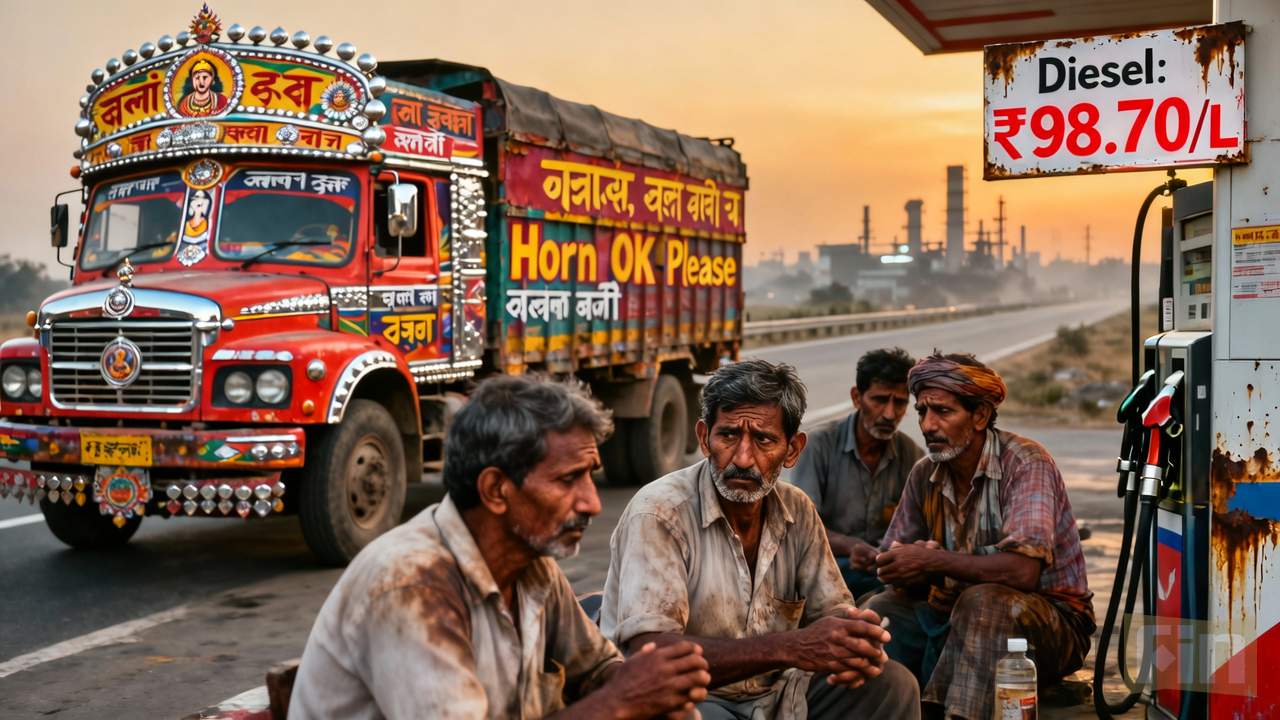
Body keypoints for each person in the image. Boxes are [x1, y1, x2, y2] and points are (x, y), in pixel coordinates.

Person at [290, 375, 712, 720]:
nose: (592, 503)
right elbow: (616, 694)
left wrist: (649, 689)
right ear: (495, 489)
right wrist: (622, 700)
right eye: (568, 480)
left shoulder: (531, 566)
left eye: (590, 476)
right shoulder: (411, 584)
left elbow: (599, 668)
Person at [600, 358, 919, 720]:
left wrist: (853, 644)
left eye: (764, 439)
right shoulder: (659, 512)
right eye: (729, 435)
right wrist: (791, 647)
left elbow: (832, 613)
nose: (744, 458)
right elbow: (651, 653)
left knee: (892, 684)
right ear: (705, 438)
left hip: (778, 693)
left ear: (793, 449)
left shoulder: (797, 511)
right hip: (692, 699)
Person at [866, 352, 1095, 720]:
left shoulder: (1025, 462)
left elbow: (1023, 572)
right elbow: (890, 561)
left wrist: (930, 559)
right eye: (922, 411)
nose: (927, 425)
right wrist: (905, 566)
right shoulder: (925, 472)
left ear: (980, 416)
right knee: (879, 612)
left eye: (942, 411)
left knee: (983, 602)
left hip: (1053, 623)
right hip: (952, 612)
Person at [790, 348, 923, 598]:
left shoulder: (912, 455)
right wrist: (851, 547)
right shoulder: (818, 445)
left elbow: (919, 528)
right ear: (857, 398)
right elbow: (802, 529)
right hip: (826, 567)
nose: (889, 414)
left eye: (900, 402)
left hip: (883, 571)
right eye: (880, 399)